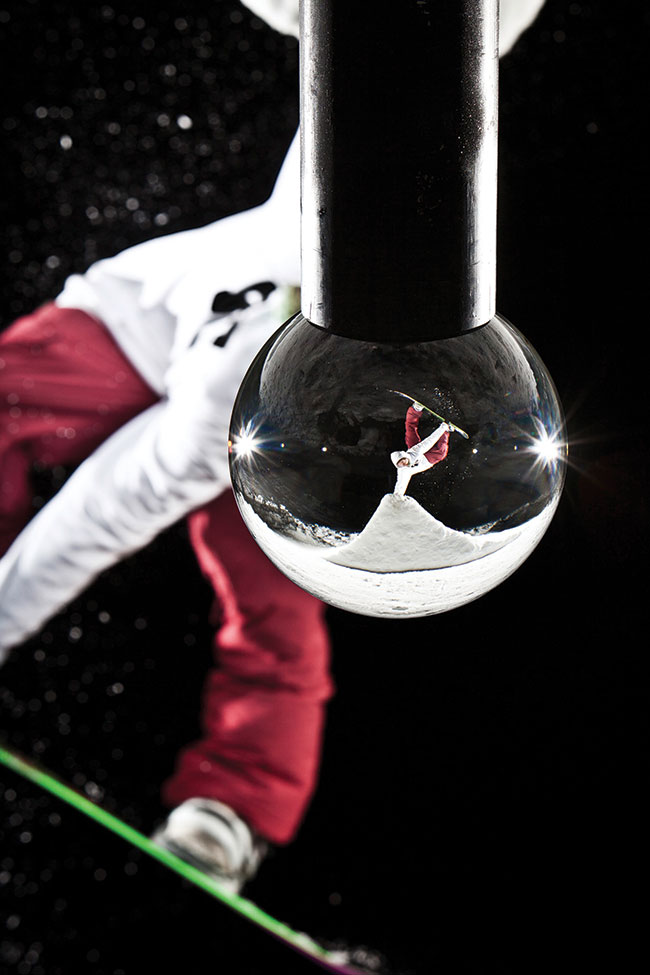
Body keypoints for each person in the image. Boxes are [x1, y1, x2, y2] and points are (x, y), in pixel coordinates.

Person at [0, 0, 549, 893]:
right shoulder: (346, 205)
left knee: (280, 585)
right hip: (136, 325)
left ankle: (233, 810)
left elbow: (108, 509)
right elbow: (101, 511)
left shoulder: (285, 415)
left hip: (234, 422)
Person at [391, 404, 454, 497]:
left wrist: (442, 427)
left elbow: (429, 441)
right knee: (441, 453)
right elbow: (400, 485)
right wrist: (396, 498)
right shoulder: (403, 471)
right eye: (400, 465)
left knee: (410, 431)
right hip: (426, 461)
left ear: (404, 456)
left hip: (417, 452)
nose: (404, 464)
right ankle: (446, 431)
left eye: (403, 461)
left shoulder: (414, 451)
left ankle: (415, 410)